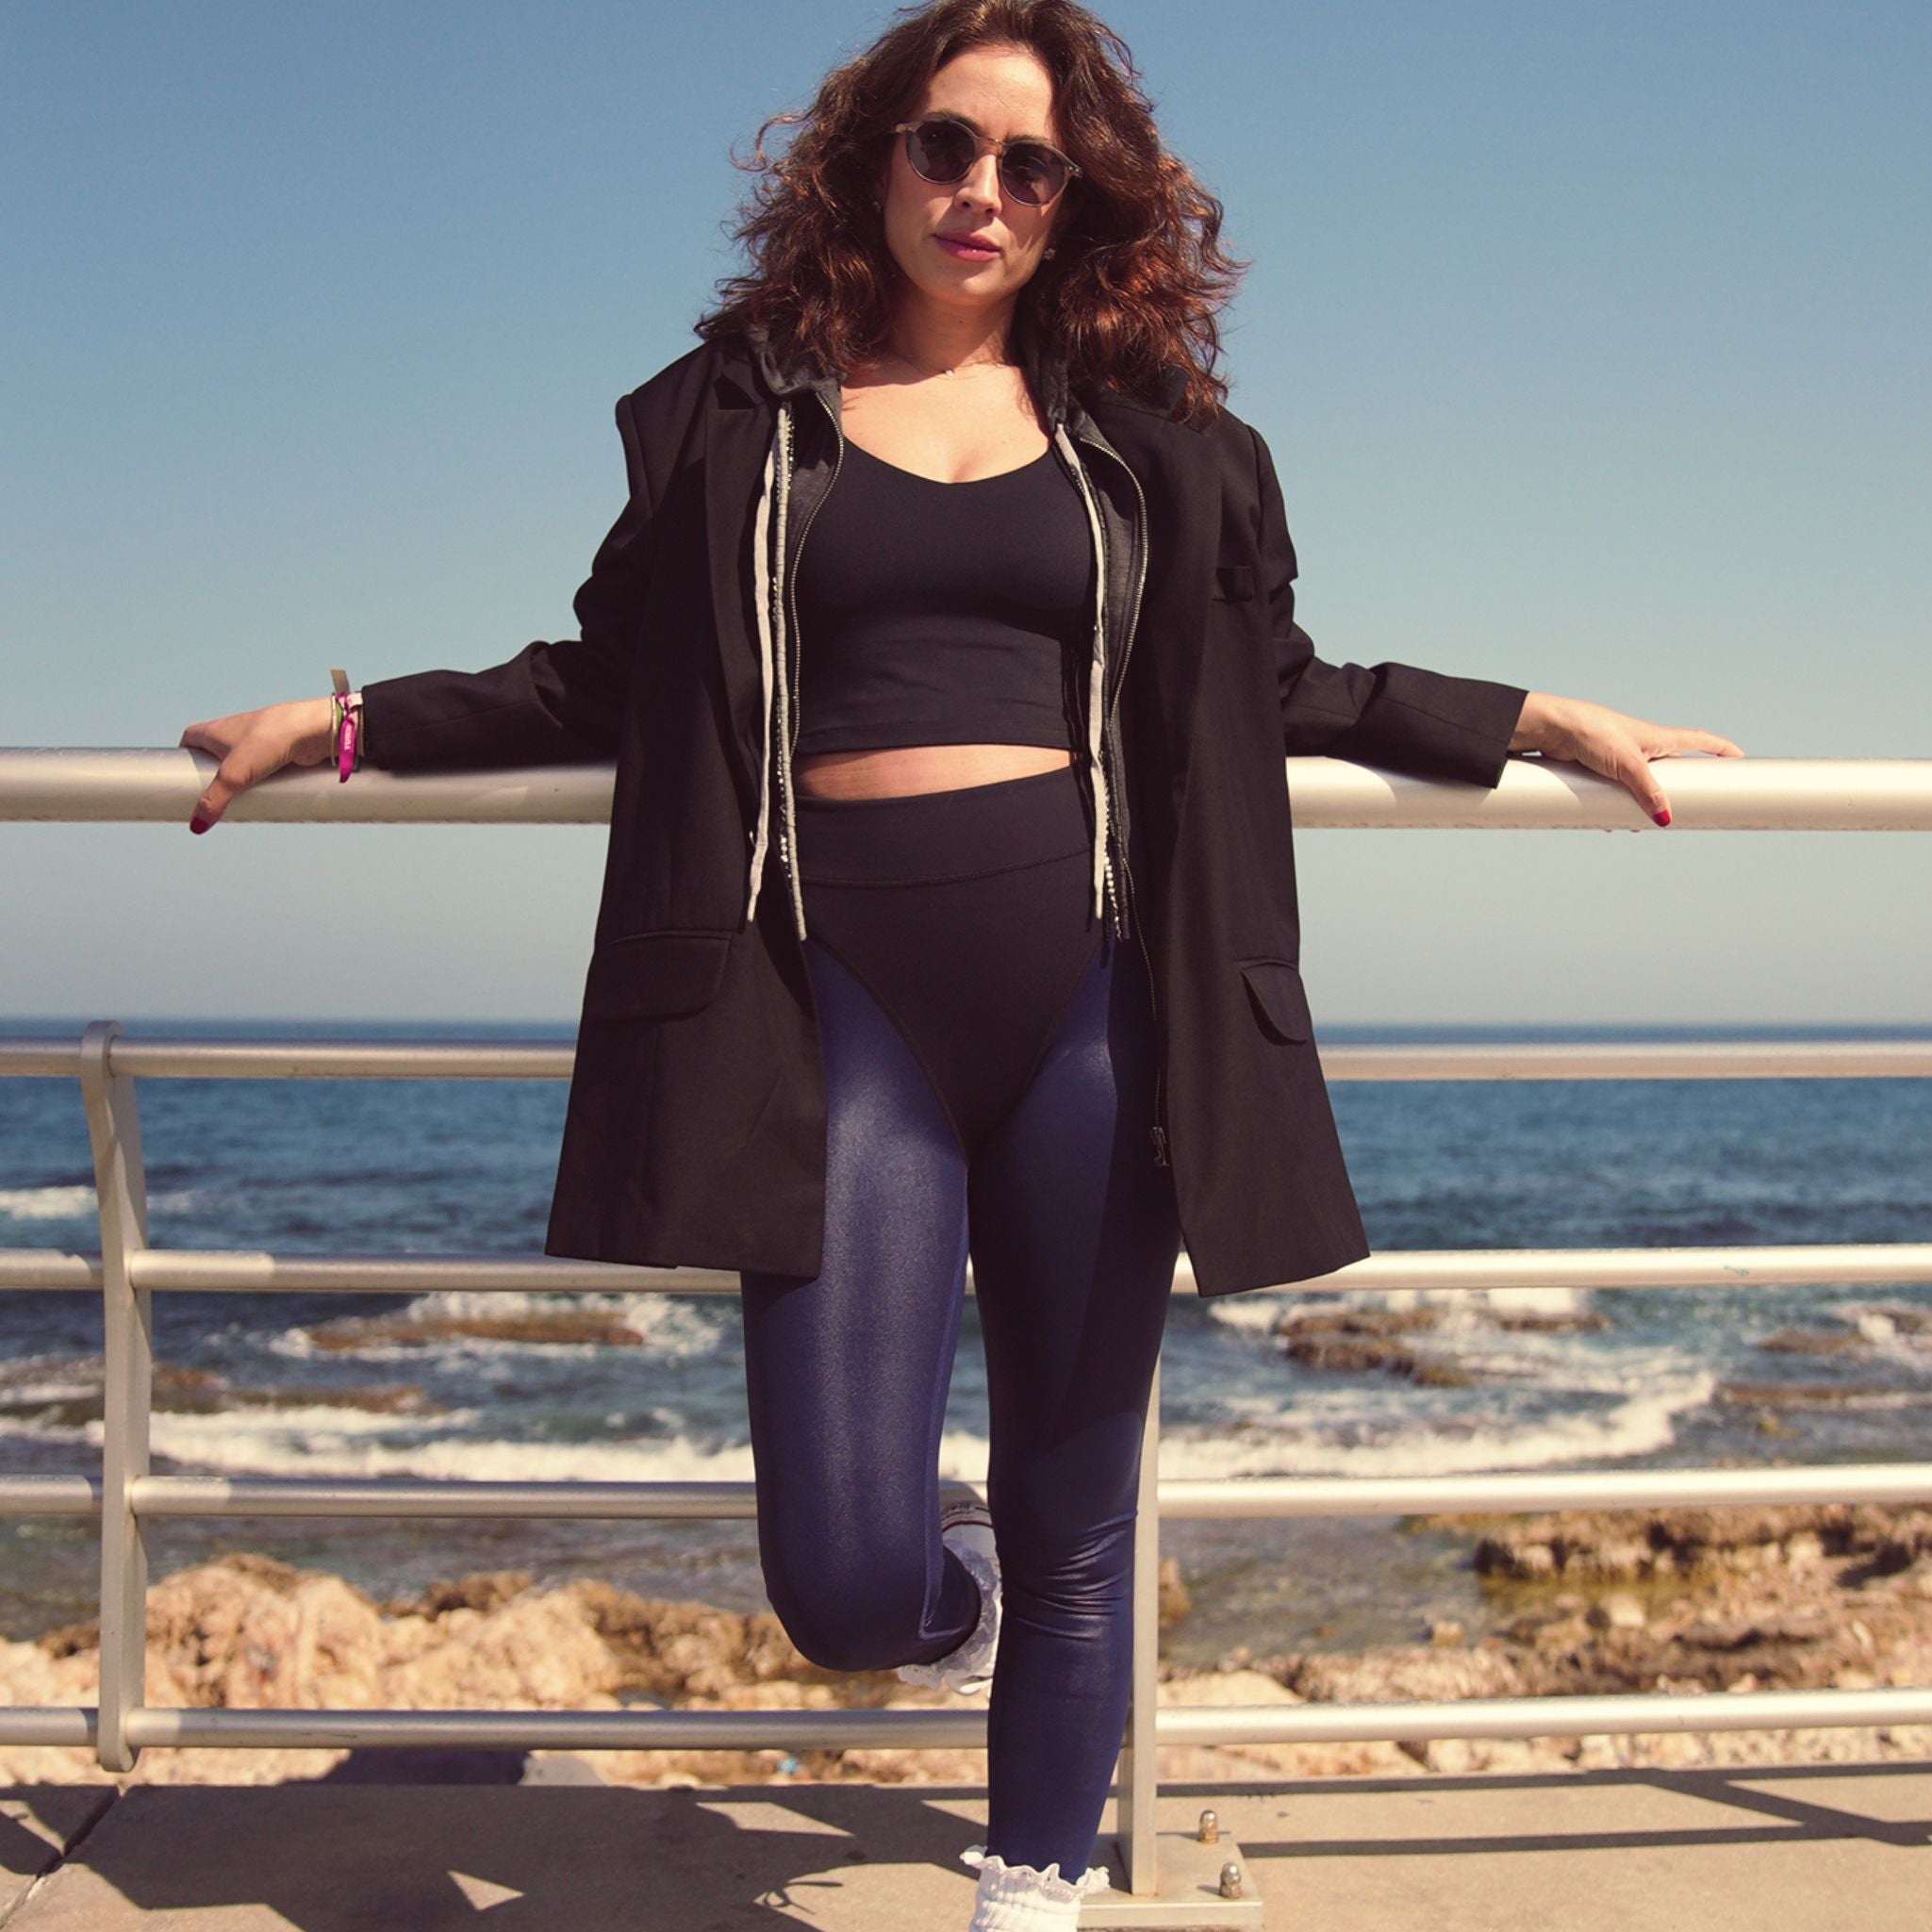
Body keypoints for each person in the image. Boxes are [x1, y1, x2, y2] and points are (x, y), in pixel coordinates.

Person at [178, 2, 1742, 1922]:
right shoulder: (734, 415)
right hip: (835, 1004)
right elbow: (600, 673)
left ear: (1079, 200)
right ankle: (954, 1593)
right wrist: (337, 728)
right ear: (870, 159)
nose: (981, 190)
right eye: (945, 145)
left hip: (1091, 995)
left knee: (1079, 1519)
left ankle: (1030, 1887)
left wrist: (1528, 716)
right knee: (841, 1577)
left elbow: (1274, 685)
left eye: (1029, 164)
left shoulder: (1161, 446)